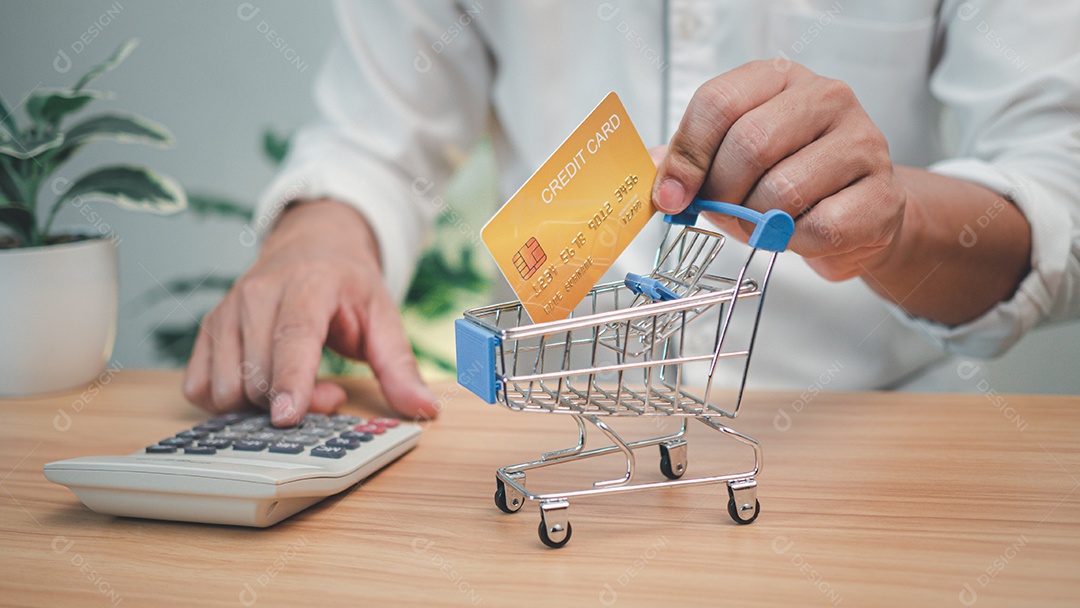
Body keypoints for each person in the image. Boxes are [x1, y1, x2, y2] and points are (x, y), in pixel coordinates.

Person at [183, 1, 1080, 427]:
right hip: (560, 401)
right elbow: (373, 137)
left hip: (870, 453)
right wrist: (316, 238)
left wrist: (895, 223)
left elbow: (1059, 186)